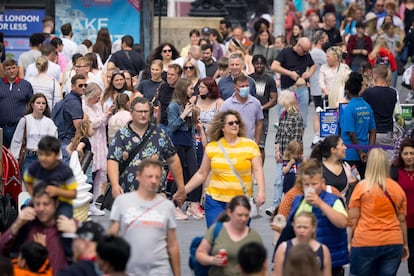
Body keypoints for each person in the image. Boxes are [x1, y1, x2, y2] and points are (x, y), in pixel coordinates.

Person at [184, 110, 265, 227]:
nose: (235, 125)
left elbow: (258, 170)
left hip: (241, 202)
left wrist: (261, 191)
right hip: (215, 201)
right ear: (222, 127)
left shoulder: (250, 145)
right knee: (216, 238)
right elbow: (201, 174)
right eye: (231, 123)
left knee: (237, 240)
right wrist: (184, 191)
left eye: (237, 122)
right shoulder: (212, 147)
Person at [107, 97, 186, 204]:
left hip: (156, 196)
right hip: (128, 195)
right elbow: (113, 160)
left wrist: (181, 187)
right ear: (131, 112)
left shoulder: (160, 133)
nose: (143, 115)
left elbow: (173, 160)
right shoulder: (121, 135)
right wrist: (115, 185)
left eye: (146, 111)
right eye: (140, 111)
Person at [108, 159, 181, 275]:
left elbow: (172, 244)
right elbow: (111, 237)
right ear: (138, 176)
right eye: (149, 176)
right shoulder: (122, 201)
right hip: (128, 270)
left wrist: (177, 274)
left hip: (159, 270)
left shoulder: (167, 206)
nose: (153, 181)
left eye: (157, 177)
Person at [280, 159, 348, 276]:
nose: (310, 188)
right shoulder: (298, 200)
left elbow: (342, 223)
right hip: (302, 259)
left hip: (330, 260)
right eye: (307, 184)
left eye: (314, 184)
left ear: (322, 182)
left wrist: (321, 204)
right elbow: (290, 227)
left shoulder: (333, 200)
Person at [349, 148, 409, 275]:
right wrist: (405, 244)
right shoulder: (397, 189)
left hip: (365, 241)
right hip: (393, 241)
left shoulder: (362, 187)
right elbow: (402, 220)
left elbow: (352, 220)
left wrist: (349, 242)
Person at [0, 183, 71, 272]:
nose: (41, 208)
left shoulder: (66, 226)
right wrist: (16, 225)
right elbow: (2, 251)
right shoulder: (27, 224)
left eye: (46, 204)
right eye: (37, 204)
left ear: (56, 204)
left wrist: (74, 234)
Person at [195, 196, 264, 275]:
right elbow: (200, 254)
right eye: (239, 215)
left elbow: (262, 266)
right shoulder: (217, 230)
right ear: (229, 213)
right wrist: (212, 260)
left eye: (246, 215)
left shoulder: (254, 236)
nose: (243, 219)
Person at [167, 78, 203, 220]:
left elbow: (191, 126)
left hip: (189, 141)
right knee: (178, 174)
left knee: (194, 172)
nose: (192, 91)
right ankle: (174, 206)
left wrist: (194, 116)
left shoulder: (189, 103)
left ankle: (193, 204)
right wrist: (183, 115)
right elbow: (172, 127)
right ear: (183, 89)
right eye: (190, 88)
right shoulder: (173, 106)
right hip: (178, 142)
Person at [24, 135, 77, 220]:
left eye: (48, 155)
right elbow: (27, 181)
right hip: (41, 201)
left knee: (63, 221)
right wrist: (34, 197)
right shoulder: (34, 167)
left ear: (56, 155)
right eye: (40, 154)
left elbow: (73, 194)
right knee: (26, 216)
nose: (43, 158)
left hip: (62, 203)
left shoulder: (65, 171)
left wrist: (57, 191)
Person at [268, 90, 303, 215]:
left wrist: (292, 160)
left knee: (290, 183)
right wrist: (277, 150)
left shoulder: (297, 117)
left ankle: (290, 205)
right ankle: (275, 205)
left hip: (292, 157)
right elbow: (279, 134)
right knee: (278, 181)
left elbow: (297, 139)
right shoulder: (283, 115)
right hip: (282, 154)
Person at [271, 37, 316, 129]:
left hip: (301, 89)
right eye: (304, 51)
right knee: (285, 119)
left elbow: (313, 65)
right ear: (299, 46)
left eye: (307, 51)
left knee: (302, 120)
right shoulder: (285, 52)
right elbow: (274, 66)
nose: (305, 53)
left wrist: (309, 73)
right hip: (287, 89)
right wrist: (289, 73)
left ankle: (299, 142)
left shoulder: (306, 55)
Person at [82, 83, 112, 215]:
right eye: (97, 96)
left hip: (101, 142)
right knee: (89, 175)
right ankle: (85, 204)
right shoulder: (83, 106)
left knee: (99, 174)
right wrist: (104, 116)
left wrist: (105, 115)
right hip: (91, 143)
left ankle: (93, 203)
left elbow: (101, 122)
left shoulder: (98, 106)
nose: (99, 99)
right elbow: (91, 124)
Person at [10, 93, 58, 177]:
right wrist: (15, 158)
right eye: (38, 103)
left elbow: (53, 142)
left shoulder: (49, 122)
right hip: (28, 157)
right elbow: (17, 140)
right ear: (32, 104)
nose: (41, 106)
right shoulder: (25, 120)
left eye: (43, 103)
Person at [340, 72, 376, 179]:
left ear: (347, 91)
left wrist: (360, 153)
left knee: (353, 185)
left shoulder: (349, 108)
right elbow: (373, 131)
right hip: (365, 154)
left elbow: (351, 133)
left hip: (351, 155)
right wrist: (369, 151)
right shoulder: (367, 106)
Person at [273, 211, 331, 276]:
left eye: (305, 227)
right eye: (298, 227)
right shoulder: (283, 248)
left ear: (313, 228)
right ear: (293, 227)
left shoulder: (323, 250)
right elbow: (277, 273)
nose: (301, 231)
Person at [361, 65, 397, 162]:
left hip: (374, 133)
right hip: (389, 132)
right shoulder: (393, 92)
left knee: (374, 164)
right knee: (388, 162)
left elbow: (360, 104)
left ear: (375, 75)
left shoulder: (369, 92)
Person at [391, 137, 414, 275]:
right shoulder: (395, 171)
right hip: (400, 222)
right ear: (401, 155)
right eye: (406, 154)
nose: (409, 157)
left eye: (412, 153)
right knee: (396, 258)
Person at [249, 54, 277, 161]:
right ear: (253, 64)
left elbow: (274, 99)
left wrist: (261, 108)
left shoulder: (269, 80)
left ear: (264, 65)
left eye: (261, 64)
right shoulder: (249, 79)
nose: (259, 66)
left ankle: (259, 170)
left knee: (260, 146)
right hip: (249, 115)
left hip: (263, 116)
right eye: (257, 63)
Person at [220, 73, 263, 143]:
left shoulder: (255, 103)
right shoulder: (227, 104)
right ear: (235, 88)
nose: (245, 88)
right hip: (231, 143)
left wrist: (256, 143)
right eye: (242, 86)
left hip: (249, 143)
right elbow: (220, 124)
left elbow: (259, 124)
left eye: (247, 86)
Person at [0, 58, 34, 148]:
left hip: (18, 127)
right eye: (8, 69)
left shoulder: (26, 85)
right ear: (4, 70)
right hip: (1, 127)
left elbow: (31, 105)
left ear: (17, 68)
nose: (11, 71)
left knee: (17, 156)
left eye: (13, 68)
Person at [59, 74, 86, 163]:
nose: (83, 88)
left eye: (85, 85)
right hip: (69, 141)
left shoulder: (69, 98)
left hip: (64, 140)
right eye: (80, 85)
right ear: (73, 86)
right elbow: (78, 126)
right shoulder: (74, 102)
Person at [156, 64, 182, 131]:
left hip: (177, 127)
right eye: (168, 74)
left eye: (172, 75)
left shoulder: (183, 89)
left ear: (179, 76)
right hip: (162, 125)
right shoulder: (163, 87)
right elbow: (160, 107)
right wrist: (157, 125)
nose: (169, 76)